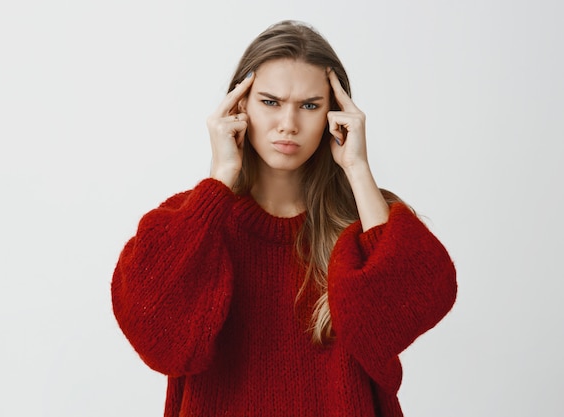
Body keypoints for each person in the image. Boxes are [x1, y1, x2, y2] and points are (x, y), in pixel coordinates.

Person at [111, 20, 457, 417]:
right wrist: (219, 179)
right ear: (239, 106)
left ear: (336, 114)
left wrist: (358, 168)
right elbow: (155, 337)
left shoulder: (363, 220)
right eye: (270, 102)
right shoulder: (193, 221)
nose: (288, 124)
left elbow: (411, 309)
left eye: (310, 105)